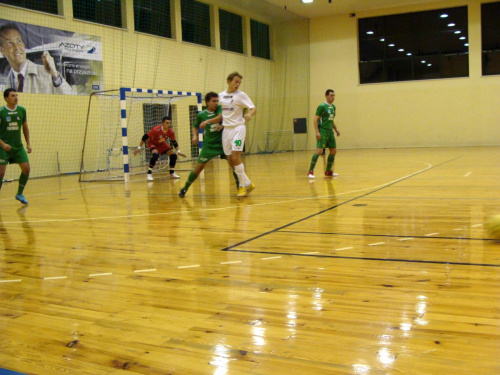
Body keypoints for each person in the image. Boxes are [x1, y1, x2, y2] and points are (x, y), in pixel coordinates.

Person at [179, 92, 239, 198]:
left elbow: (221, 117)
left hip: (222, 143)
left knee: (234, 165)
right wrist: (194, 136)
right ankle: (185, 188)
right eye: (213, 101)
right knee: (198, 168)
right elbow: (195, 126)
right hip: (209, 146)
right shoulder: (201, 114)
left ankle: (240, 187)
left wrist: (208, 122)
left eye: (217, 101)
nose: (216, 103)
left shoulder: (220, 109)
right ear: (207, 102)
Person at [0, 23, 73, 95]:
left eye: (19, 41)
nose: (16, 47)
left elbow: (71, 99)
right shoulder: (4, 86)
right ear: (2, 51)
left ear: (23, 44)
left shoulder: (46, 73)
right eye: (9, 43)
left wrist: (55, 75)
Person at [219, 72, 256, 197]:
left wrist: (250, 115)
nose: (238, 84)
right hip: (226, 131)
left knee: (235, 158)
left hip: (238, 129)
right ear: (228, 81)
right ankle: (248, 183)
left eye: (239, 82)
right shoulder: (221, 96)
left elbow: (253, 108)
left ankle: (242, 186)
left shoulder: (241, 95)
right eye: (236, 81)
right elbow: (223, 113)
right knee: (230, 161)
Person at [0, 88, 31, 204]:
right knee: (1, 173)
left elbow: (25, 127)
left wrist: (28, 144)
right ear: (6, 98)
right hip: (3, 148)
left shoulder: (22, 110)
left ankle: (19, 194)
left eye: (17, 95)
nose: (16, 98)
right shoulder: (1, 111)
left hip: (18, 147)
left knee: (26, 169)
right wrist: (3, 144)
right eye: (13, 96)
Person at [133, 116, 186, 181]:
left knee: (173, 155)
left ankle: (172, 173)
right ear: (163, 123)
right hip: (152, 143)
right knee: (156, 155)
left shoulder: (171, 131)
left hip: (161, 144)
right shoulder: (156, 129)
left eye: (169, 123)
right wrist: (139, 147)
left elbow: (174, 142)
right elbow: (145, 136)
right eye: (167, 123)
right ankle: (149, 173)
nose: (168, 125)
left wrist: (178, 151)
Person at [308, 89, 340, 179]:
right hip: (322, 131)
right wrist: (317, 132)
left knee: (333, 151)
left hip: (330, 132)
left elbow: (331, 120)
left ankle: (328, 171)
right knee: (319, 151)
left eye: (334, 95)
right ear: (326, 96)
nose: (333, 97)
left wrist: (336, 129)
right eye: (331, 95)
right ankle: (310, 171)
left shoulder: (333, 107)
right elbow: (315, 119)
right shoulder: (322, 106)